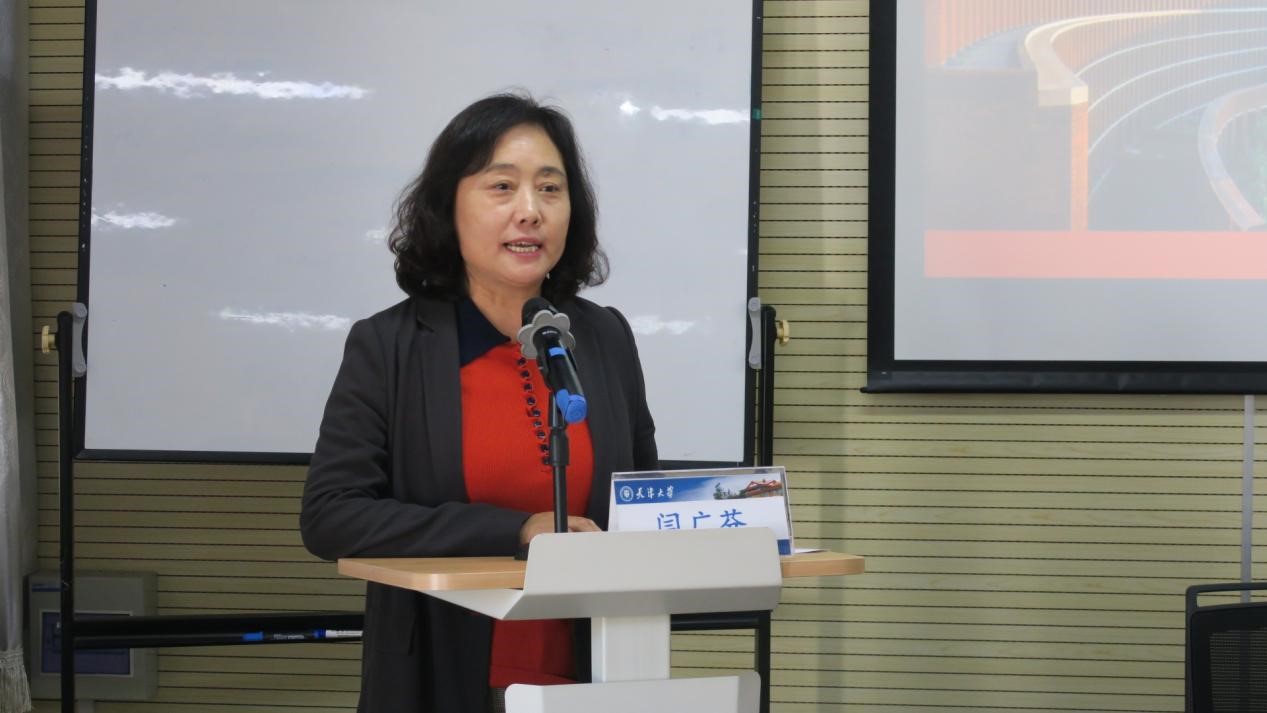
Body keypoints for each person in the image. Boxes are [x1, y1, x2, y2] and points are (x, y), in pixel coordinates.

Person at [299, 92, 659, 712]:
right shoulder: (390, 346)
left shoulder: (604, 336)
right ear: (449, 206)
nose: (530, 211)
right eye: (502, 187)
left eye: (551, 189)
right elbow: (332, 516)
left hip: (596, 671)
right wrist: (515, 530)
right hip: (442, 672)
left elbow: (640, 499)